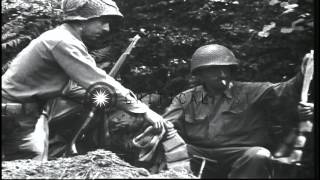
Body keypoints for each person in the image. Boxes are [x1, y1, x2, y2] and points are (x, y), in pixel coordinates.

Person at [1, 0, 164, 161]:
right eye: (103, 22)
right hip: (13, 117)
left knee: (33, 164)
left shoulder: (63, 39)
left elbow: (71, 87)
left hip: (26, 115)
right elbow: (99, 82)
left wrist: (109, 101)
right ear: (83, 20)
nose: (107, 28)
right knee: (30, 167)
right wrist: (144, 111)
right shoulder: (63, 42)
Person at [162, 44, 311, 178]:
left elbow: (285, 89)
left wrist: (304, 73)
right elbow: (165, 126)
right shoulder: (186, 98)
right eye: (213, 70)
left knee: (259, 155)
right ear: (200, 74)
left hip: (240, 155)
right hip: (199, 154)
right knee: (165, 148)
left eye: (225, 68)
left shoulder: (251, 91)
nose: (222, 74)